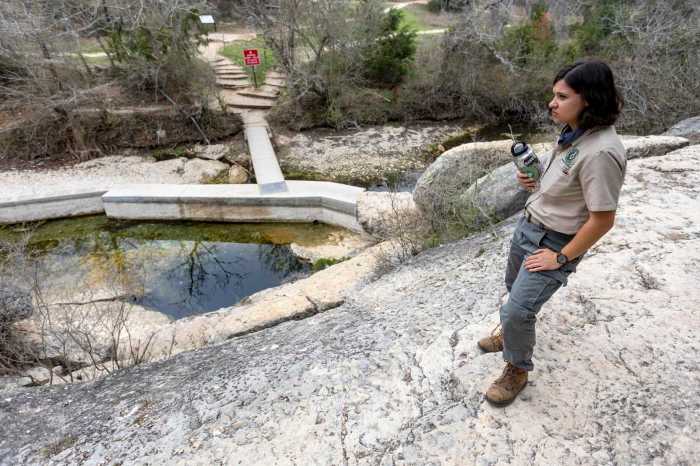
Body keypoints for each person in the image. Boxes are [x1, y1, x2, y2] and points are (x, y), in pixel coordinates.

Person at [477, 60, 627, 406]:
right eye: (553, 95)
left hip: (555, 242)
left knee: (518, 310)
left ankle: (517, 368)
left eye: (562, 96)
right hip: (529, 226)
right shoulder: (575, 131)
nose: (552, 103)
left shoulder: (602, 151)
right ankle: (512, 337)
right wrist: (536, 180)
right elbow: (566, 179)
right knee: (514, 290)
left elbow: (602, 219)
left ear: (588, 99)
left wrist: (560, 257)